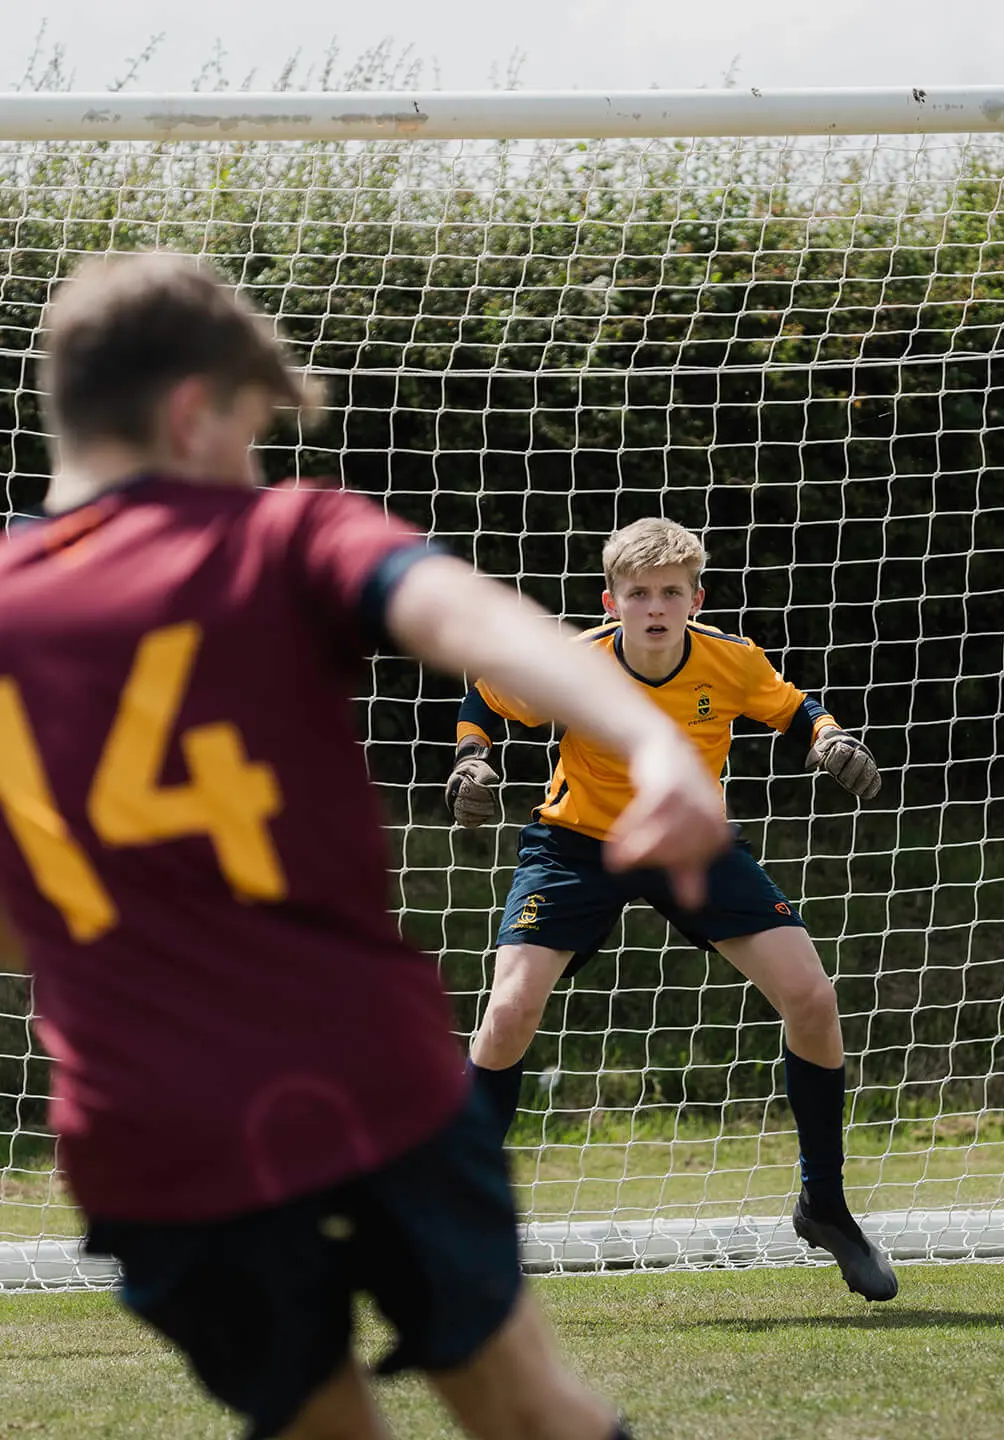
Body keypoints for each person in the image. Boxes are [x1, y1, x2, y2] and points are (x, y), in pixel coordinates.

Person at [0, 250, 732, 1440]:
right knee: (528, 1409)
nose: (257, 466)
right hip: (361, 1079)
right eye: (249, 431)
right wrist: (651, 746)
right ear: (193, 410)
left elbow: (16, 928)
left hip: (145, 1137)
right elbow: (475, 618)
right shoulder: (278, 533)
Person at [449, 517, 898, 1303]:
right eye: (638, 593)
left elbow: (795, 709)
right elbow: (485, 699)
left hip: (692, 841)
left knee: (812, 998)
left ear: (696, 598)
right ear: (611, 600)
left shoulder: (729, 660)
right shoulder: (571, 663)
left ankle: (823, 1205)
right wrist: (471, 764)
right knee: (511, 1009)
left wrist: (831, 740)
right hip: (576, 846)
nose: (654, 607)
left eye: (669, 592)